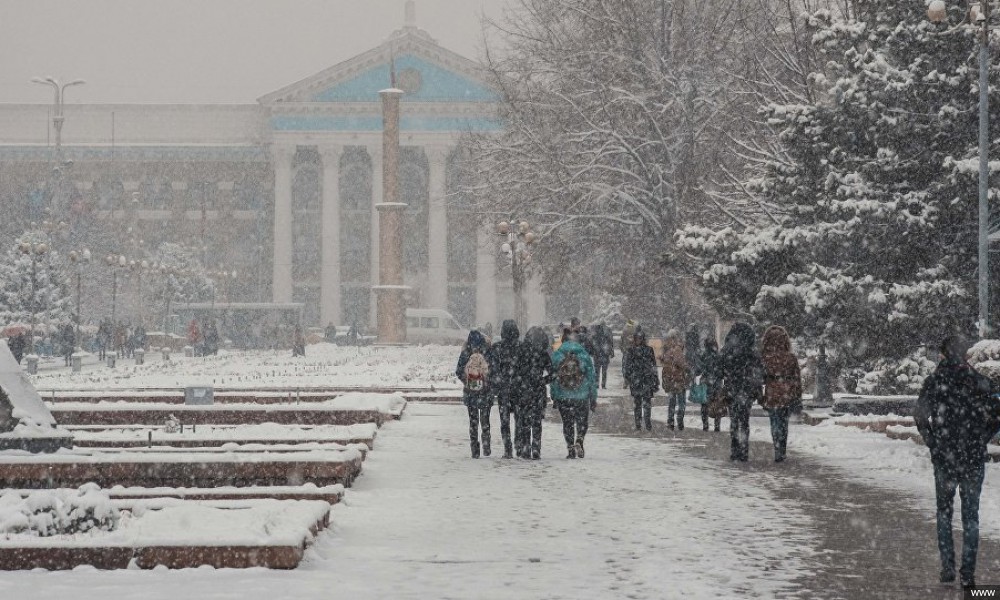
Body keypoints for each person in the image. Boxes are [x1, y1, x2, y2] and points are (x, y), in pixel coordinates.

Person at [915, 335, 1000, 589]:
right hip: (972, 457)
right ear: (964, 355)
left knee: (944, 512)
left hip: (945, 457)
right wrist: (981, 437)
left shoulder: (934, 381)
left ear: (942, 354)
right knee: (971, 516)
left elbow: (920, 415)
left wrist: (933, 441)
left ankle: (947, 567)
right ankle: (968, 572)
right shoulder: (979, 381)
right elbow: (997, 413)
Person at [550, 328, 597, 459]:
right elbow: (592, 378)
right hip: (582, 396)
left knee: (567, 423)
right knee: (582, 422)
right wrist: (593, 398)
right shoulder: (584, 355)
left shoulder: (557, 355)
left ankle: (570, 448)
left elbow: (554, 378)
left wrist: (554, 395)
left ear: (563, 340)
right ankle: (580, 440)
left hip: (564, 396)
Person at [720, 323, 763, 462]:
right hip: (747, 390)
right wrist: (757, 389)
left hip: (732, 389)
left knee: (734, 419)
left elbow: (720, 369)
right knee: (744, 420)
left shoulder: (727, 351)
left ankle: (735, 449)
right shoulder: (752, 352)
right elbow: (758, 372)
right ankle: (744, 449)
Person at [760, 326, 801, 462]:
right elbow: (796, 378)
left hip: (772, 391)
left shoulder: (765, 358)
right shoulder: (791, 358)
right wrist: (796, 394)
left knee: (775, 420)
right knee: (784, 422)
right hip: (786, 392)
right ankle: (782, 448)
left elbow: (761, 377)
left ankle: (777, 447)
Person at [487, 319, 521, 459]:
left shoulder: (497, 348)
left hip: (504, 390)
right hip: (519, 389)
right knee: (520, 419)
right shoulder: (522, 347)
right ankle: (519, 445)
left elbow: (493, 370)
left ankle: (508, 448)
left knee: (504, 421)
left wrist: (495, 386)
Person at [456, 330, 492, 458]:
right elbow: (492, 369)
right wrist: (487, 382)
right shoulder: (487, 350)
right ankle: (486, 444)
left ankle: (474, 448)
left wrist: (467, 381)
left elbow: (458, 370)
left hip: (470, 393)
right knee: (485, 420)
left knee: (473, 422)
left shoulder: (466, 352)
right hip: (485, 393)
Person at [520, 326, 554, 459]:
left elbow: (517, 370)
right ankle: (536, 446)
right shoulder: (543, 354)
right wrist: (543, 381)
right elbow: (553, 373)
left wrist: (522, 380)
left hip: (524, 389)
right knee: (537, 420)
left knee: (525, 420)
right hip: (539, 390)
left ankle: (526, 446)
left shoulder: (523, 352)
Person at [623, 328, 657, 431]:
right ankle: (638, 423)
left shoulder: (648, 350)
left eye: (640, 338)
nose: (639, 340)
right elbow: (627, 366)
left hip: (646, 379)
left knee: (646, 403)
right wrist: (627, 378)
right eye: (637, 338)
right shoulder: (631, 350)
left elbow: (653, 365)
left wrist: (655, 380)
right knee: (637, 403)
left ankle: (647, 423)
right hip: (636, 380)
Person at [660, 329, 691, 430]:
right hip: (678, 380)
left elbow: (664, 363)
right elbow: (680, 363)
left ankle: (670, 421)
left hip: (670, 380)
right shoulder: (677, 349)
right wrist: (688, 368)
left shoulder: (666, 350)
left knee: (672, 402)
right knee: (681, 402)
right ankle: (679, 420)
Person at [698, 339, 724, 432]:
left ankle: (705, 425)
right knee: (717, 404)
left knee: (704, 404)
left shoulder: (703, 356)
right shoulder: (719, 356)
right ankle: (717, 426)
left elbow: (698, 370)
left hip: (705, 383)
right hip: (717, 383)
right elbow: (722, 372)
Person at [592, 324, 615, 389]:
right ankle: (603, 384)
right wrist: (611, 353)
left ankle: (597, 384)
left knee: (597, 371)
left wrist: (594, 352)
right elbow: (610, 345)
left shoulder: (595, 337)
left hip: (597, 356)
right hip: (604, 356)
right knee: (604, 372)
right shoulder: (606, 337)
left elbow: (593, 346)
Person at [620, 319, 637, 389]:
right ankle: (632, 381)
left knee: (625, 367)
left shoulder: (624, 331)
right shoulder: (635, 331)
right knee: (633, 367)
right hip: (633, 351)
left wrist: (623, 349)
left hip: (626, 351)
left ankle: (626, 381)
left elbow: (621, 342)